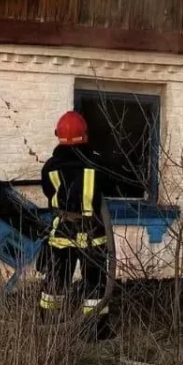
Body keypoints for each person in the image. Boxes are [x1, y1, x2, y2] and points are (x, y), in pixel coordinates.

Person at [37, 110, 127, 327]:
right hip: (93, 231)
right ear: (85, 134)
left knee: (56, 281)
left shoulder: (50, 166)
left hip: (62, 231)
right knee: (94, 285)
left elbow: (48, 192)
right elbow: (112, 187)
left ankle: (49, 327)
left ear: (58, 134)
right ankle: (95, 330)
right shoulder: (98, 163)